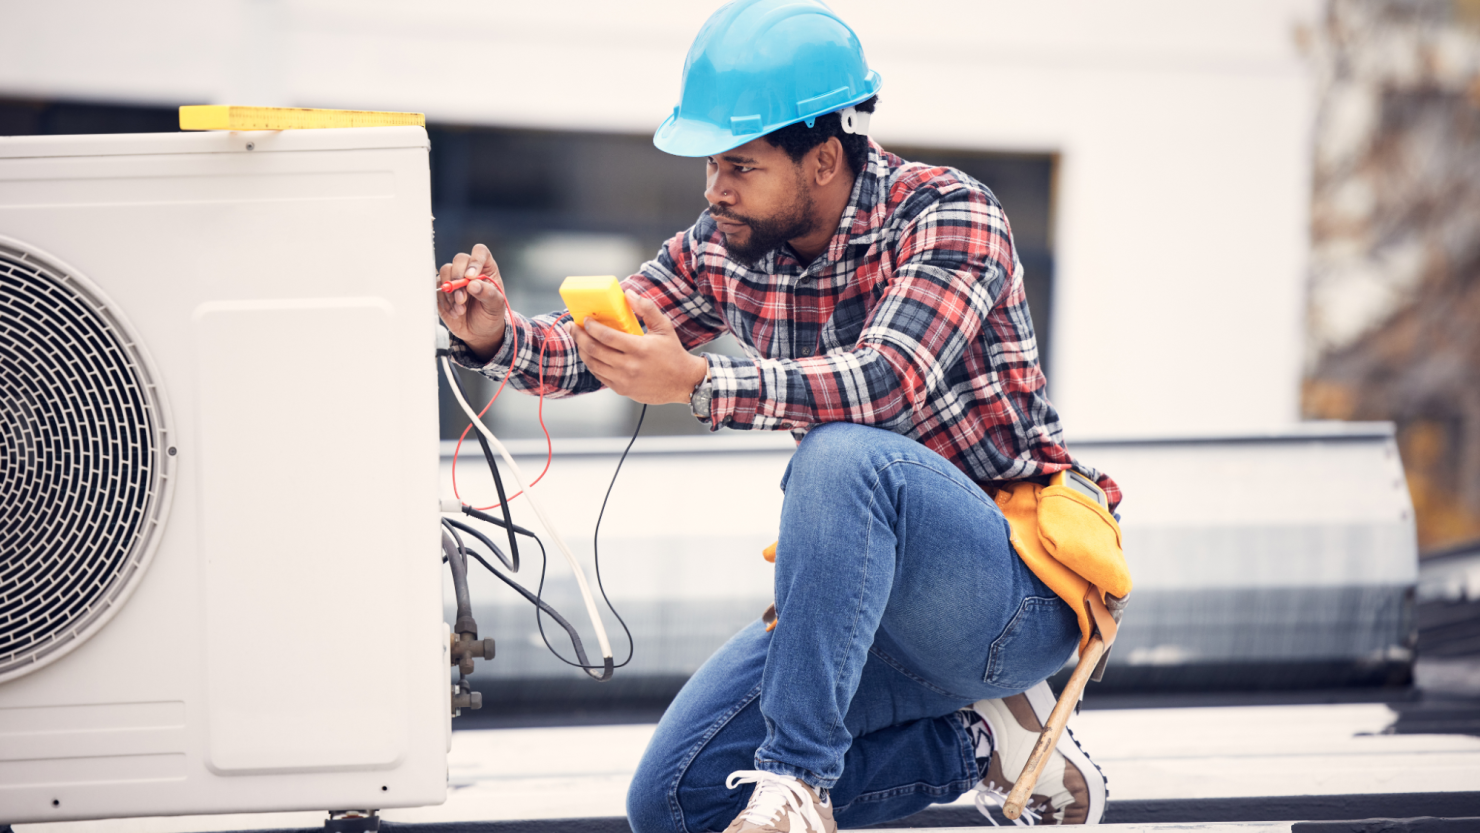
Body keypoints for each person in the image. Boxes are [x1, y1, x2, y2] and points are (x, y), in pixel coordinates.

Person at [437, 1, 1118, 827]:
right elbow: (609, 340)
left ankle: (798, 785)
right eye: (711, 167)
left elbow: (884, 383)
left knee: (841, 453)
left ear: (824, 158)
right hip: (869, 615)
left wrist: (697, 384)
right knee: (673, 800)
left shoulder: (949, 215)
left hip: (1009, 597)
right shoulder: (725, 244)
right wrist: (497, 335)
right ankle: (981, 743)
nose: (713, 190)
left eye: (739, 167)